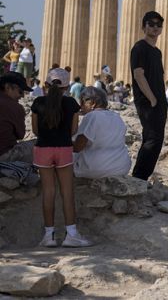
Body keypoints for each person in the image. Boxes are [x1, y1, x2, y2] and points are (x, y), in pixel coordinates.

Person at [31, 68, 92, 247]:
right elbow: (73, 130)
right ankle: (71, 234)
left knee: (48, 192)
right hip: (64, 148)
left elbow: (35, 131)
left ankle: (48, 236)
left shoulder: (38, 102)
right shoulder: (72, 103)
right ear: (66, 86)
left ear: (46, 85)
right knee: (67, 192)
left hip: (42, 148)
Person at [130, 11, 168, 181]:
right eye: (151, 24)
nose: (155, 27)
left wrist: (160, 101)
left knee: (155, 139)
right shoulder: (139, 47)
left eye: (158, 24)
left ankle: (141, 178)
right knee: (152, 139)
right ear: (144, 26)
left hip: (159, 101)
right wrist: (152, 99)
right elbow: (139, 74)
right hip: (148, 101)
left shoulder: (157, 52)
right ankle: (139, 177)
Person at [73, 86, 131, 178]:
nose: (81, 107)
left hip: (97, 168)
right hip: (122, 167)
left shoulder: (92, 116)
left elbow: (77, 147)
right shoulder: (116, 116)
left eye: (83, 103)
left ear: (92, 103)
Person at [0, 72, 34, 163]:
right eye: (20, 91)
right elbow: (20, 135)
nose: (22, 95)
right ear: (7, 87)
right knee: (40, 145)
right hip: (4, 156)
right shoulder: (14, 107)